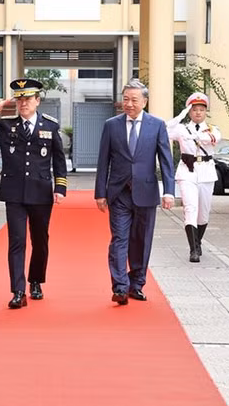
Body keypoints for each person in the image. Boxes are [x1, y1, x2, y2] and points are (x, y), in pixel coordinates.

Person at [0, 78, 67, 309]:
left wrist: (60, 188)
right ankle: (18, 291)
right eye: (19, 99)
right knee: (17, 241)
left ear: (37, 101)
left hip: (41, 192)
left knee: (40, 240)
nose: (23, 103)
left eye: (28, 99)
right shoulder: (5, 126)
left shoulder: (50, 126)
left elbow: (59, 159)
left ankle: (36, 280)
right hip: (14, 193)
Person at [94, 79, 175, 305]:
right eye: (126, 99)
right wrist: (100, 192)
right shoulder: (111, 125)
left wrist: (169, 191)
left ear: (145, 102)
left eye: (134, 100)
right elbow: (103, 161)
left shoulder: (156, 125)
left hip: (146, 192)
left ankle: (136, 284)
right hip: (119, 193)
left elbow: (166, 160)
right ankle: (120, 287)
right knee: (119, 239)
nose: (129, 104)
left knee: (142, 240)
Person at [166, 93, 221, 263]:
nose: (198, 112)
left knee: (203, 213)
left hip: (206, 172)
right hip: (187, 172)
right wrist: (179, 117)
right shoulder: (181, 128)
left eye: (201, 109)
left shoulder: (212, 129)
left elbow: (214, 139)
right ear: (189, 111)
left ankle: (198, 242)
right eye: (194, 109)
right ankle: (193, 250)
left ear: (205, 112)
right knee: (190, 208)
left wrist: (196, 136)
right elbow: (163, 130)